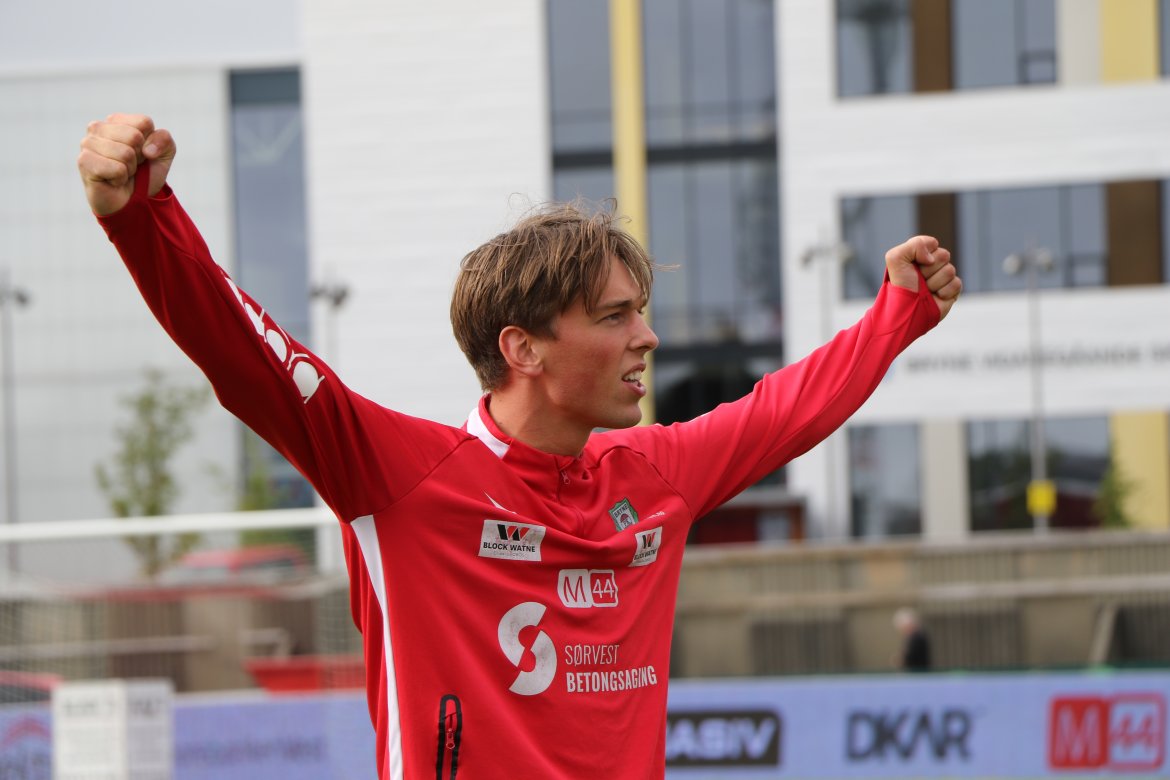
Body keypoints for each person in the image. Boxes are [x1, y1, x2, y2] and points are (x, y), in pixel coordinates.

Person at [78, 114, 962, 779]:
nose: (648, 338)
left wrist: (901, 311)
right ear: (523, 349)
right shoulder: (399, 476)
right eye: (615, 317)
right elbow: (248, 354)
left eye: (641, 313)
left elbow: (790, 408)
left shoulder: (655, 477)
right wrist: (143, 219)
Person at [894, 606, 932, 672]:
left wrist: (900, 659)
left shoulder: (917, 637)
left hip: (918, 672)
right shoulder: (914, 637)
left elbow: (910, 656)